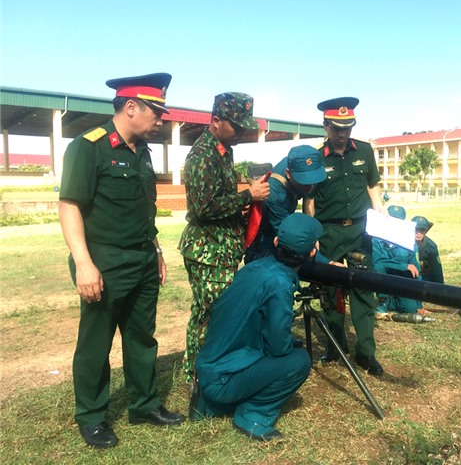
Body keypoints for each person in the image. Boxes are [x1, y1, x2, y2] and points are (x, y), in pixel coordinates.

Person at [59, 73, 184, 448]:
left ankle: (143, 403)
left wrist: (157, 251)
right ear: (131, 107)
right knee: (96, 343)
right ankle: (92, 417)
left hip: (143, 258)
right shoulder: (89, 146)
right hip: (104, 260)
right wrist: (83, 262)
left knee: (141, 336)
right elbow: (69, 206)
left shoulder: (141, 150)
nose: (161, 119)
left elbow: (144, 209)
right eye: (156, 111)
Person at [192, 213, 321, 441]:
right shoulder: (280, 283)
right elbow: (277, 348)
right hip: (222, 380)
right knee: (299, 360)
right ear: (312, 252)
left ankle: (210, 404)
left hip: (208, 369)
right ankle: (253, 415)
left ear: (275, 243)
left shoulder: (255, 267)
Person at [179, 92, 270, 384]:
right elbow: (204, 208)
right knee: (210, 313)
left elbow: (221, 199)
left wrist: (242, 204)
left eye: (245, 125)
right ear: (216, 120)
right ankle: (199, 374)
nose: (242, 131)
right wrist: (247, 195)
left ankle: (207, 368)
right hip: (208, 249)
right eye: (236, 125)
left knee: (216, 311)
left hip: (220, 247)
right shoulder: (203, 155)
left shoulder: (222, 149)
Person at [303, 96, 386, 375]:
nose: (342, 134)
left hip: (360, 230)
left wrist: (380, 214)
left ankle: (366, 353)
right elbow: (309, 200)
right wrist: (311, 232)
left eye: (347, 128)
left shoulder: (364, 150)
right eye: (336, 128)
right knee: (330, 291)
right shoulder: (315, 157)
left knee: (364, 288)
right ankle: (335, 345)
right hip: (329, 232)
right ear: (325, 126)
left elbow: (372, 185)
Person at [244, 145, 327, 263]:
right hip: (266, 242)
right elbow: (292, 236)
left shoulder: (297, 162)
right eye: (304, 181)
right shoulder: (275, 196)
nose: (311, 187)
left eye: (313, 180)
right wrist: (325, 261)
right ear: (288, 173)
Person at [372, 205, 424, 318]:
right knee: (378, 266)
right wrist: (404, 266)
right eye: (391, 219)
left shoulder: (409, 242)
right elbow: (378, 262)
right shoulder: (375, 239)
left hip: (401, 282)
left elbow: (416, 270)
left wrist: (419, 304)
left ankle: (391, 300)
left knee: (410, 309)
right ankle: (383, 301)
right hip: (383, 279)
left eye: (398, 220)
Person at [411, 215, 444, 284]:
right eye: (416, 229)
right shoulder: (404, 243)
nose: (419, 233)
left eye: (422, 230)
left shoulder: (431, 247)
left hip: (424, 280)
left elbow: (437, 271)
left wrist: (440, 289)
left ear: (426, 230)